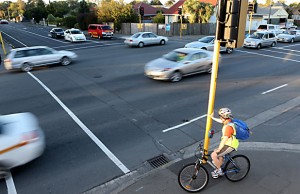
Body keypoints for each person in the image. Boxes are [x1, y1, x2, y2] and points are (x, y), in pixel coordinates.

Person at [209, 108, 239, 178]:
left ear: (224, 117)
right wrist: (212, 117)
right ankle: (220, 163)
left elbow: (224, 140)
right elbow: (221, 121)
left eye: (220, 116)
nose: (220, 118)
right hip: (229, 143)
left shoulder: (228, 127)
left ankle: (219, 170)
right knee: (217, 152)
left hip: (230, 145)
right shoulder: (228, 121)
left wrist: (219, 149)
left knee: (214, 155)